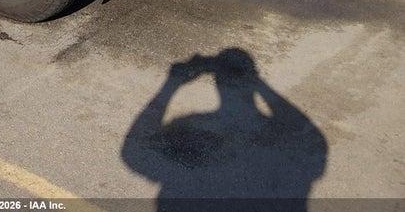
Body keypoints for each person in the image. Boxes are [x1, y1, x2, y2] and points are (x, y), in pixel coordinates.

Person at [122, 48, 327, 211]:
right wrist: (256, 81)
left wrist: (172, 83)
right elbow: (306, 134)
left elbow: (133, 152)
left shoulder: (198, 123)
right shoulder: (294, 145)